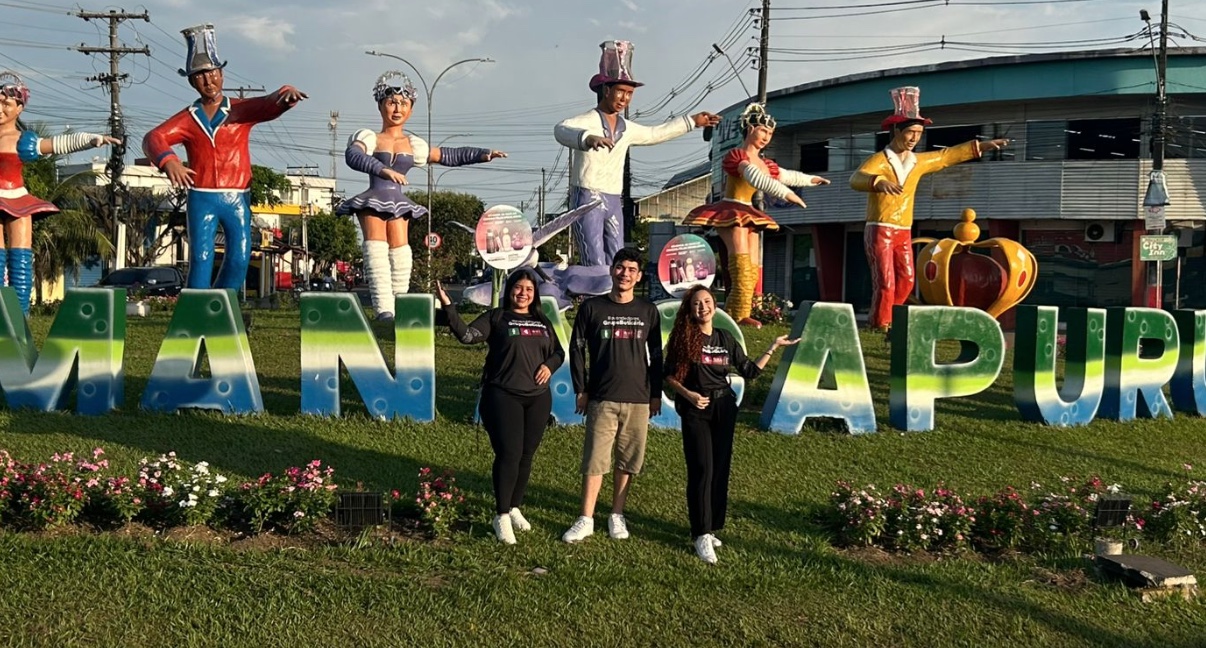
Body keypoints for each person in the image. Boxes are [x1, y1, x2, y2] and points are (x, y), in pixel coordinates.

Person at [143, 23, 307, 290]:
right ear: (191, 81)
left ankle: (222, 303)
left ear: (222, 74)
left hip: (236, 196)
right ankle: (195, 309)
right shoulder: (188, 119)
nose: (209, 81)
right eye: (200, 76)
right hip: (202, 196)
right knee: (202, 257)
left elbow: (267, 103)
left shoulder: (239, 112)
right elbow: (154, 137)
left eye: (213, 73)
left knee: (240, 257)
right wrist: (168, 160)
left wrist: (284, 95)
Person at [340, 71, 506, 321]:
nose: (397, 109)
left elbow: (448, 155)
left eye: (403, 104)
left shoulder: (413, 144)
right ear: (380, 105)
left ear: (411, 109)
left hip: (398, 202)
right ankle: (383, 309)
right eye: (392, 102)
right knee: (376, 250)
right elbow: (354, 156)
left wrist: (483, 153)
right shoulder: (369, 137)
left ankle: (399, 304)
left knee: (401, 251)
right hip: (373, 199)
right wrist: (382, 169)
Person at [850, 86, 1009, 331]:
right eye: (911, 132)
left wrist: (981, 147)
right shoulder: (880, 160)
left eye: (919, 133)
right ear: (896, 130)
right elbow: (856, 178)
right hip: (880, 228)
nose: (915, 138)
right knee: (886, 280)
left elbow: (946, 156)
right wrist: (878, 182)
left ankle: (890, 319)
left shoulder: (918, 161)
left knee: (907, 279)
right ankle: (879, 323)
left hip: (903, 229)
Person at [555, 40, 720, 270]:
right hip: (587, 194)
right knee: (593, 255)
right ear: (606, 90)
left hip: (613, 197)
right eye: (620, 92)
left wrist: (692, 121)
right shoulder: (587, 121)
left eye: (629, 94)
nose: (624, 99)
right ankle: (594, 299)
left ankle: (617, 298)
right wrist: (587, 139)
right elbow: (561, 129)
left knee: (617, 255)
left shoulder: (627, 128)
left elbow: (655, 133)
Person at [663, 285, 798, 563]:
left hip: (724, 407)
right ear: (690, 309)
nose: (703, 307)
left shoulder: (725, 338)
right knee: (702, 468)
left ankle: (711, 527)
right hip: (696, 410)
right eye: (697, 303)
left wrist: (772, 347)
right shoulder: (684, 338)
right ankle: (700, 533)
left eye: (708, 302)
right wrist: (688, 394)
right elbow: (668, 376)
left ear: (715, 305)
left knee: (720, 469)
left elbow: (748, 371)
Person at [435, 269, 563, 544]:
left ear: (535, 294)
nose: (523, 293)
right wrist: (448, 306)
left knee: (526, 455)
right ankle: (501, 515)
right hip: (502, 395)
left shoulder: (541, 320)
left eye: (529, 289)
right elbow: (467, 336)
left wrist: (548, 366)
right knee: (510, 453)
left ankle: (515, 507)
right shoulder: (497, 317)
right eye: (518, 287)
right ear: (510, 290)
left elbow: (559, 352)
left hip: (538, 397)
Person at [682, 103, 829, 328]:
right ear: (750, 129)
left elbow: (786, 175)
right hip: (732, 212)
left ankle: (738, 312)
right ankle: (736, 314)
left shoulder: (765, 163)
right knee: (740, 265)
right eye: (763, 131)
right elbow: (755, 178)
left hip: (748, 213)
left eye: (770, 133)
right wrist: (788, 195)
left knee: (751, 268)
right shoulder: (737, 156)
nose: (766, 137)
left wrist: (810, 180)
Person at [563, 247, 662, 543]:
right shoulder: (592, 308)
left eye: (632, 270)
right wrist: (581, 388)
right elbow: (577, 348)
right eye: (621, 267)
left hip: (639, 398)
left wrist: (655, 394)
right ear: (612, 270)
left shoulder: (648, 311)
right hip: (601, 396)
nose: (625, 274)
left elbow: (656, 356)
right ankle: (586, 518)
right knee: (595, 459)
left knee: (628, 459)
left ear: (639, 276)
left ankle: (617, 514)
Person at [0, 71, 117, 314]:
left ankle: (20, 320)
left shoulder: (23, 140)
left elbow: (54, 145)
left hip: (17, 198)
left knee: (20, 261)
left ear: (19, 108)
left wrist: (89, 140)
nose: (0, 108)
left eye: (6, 103)